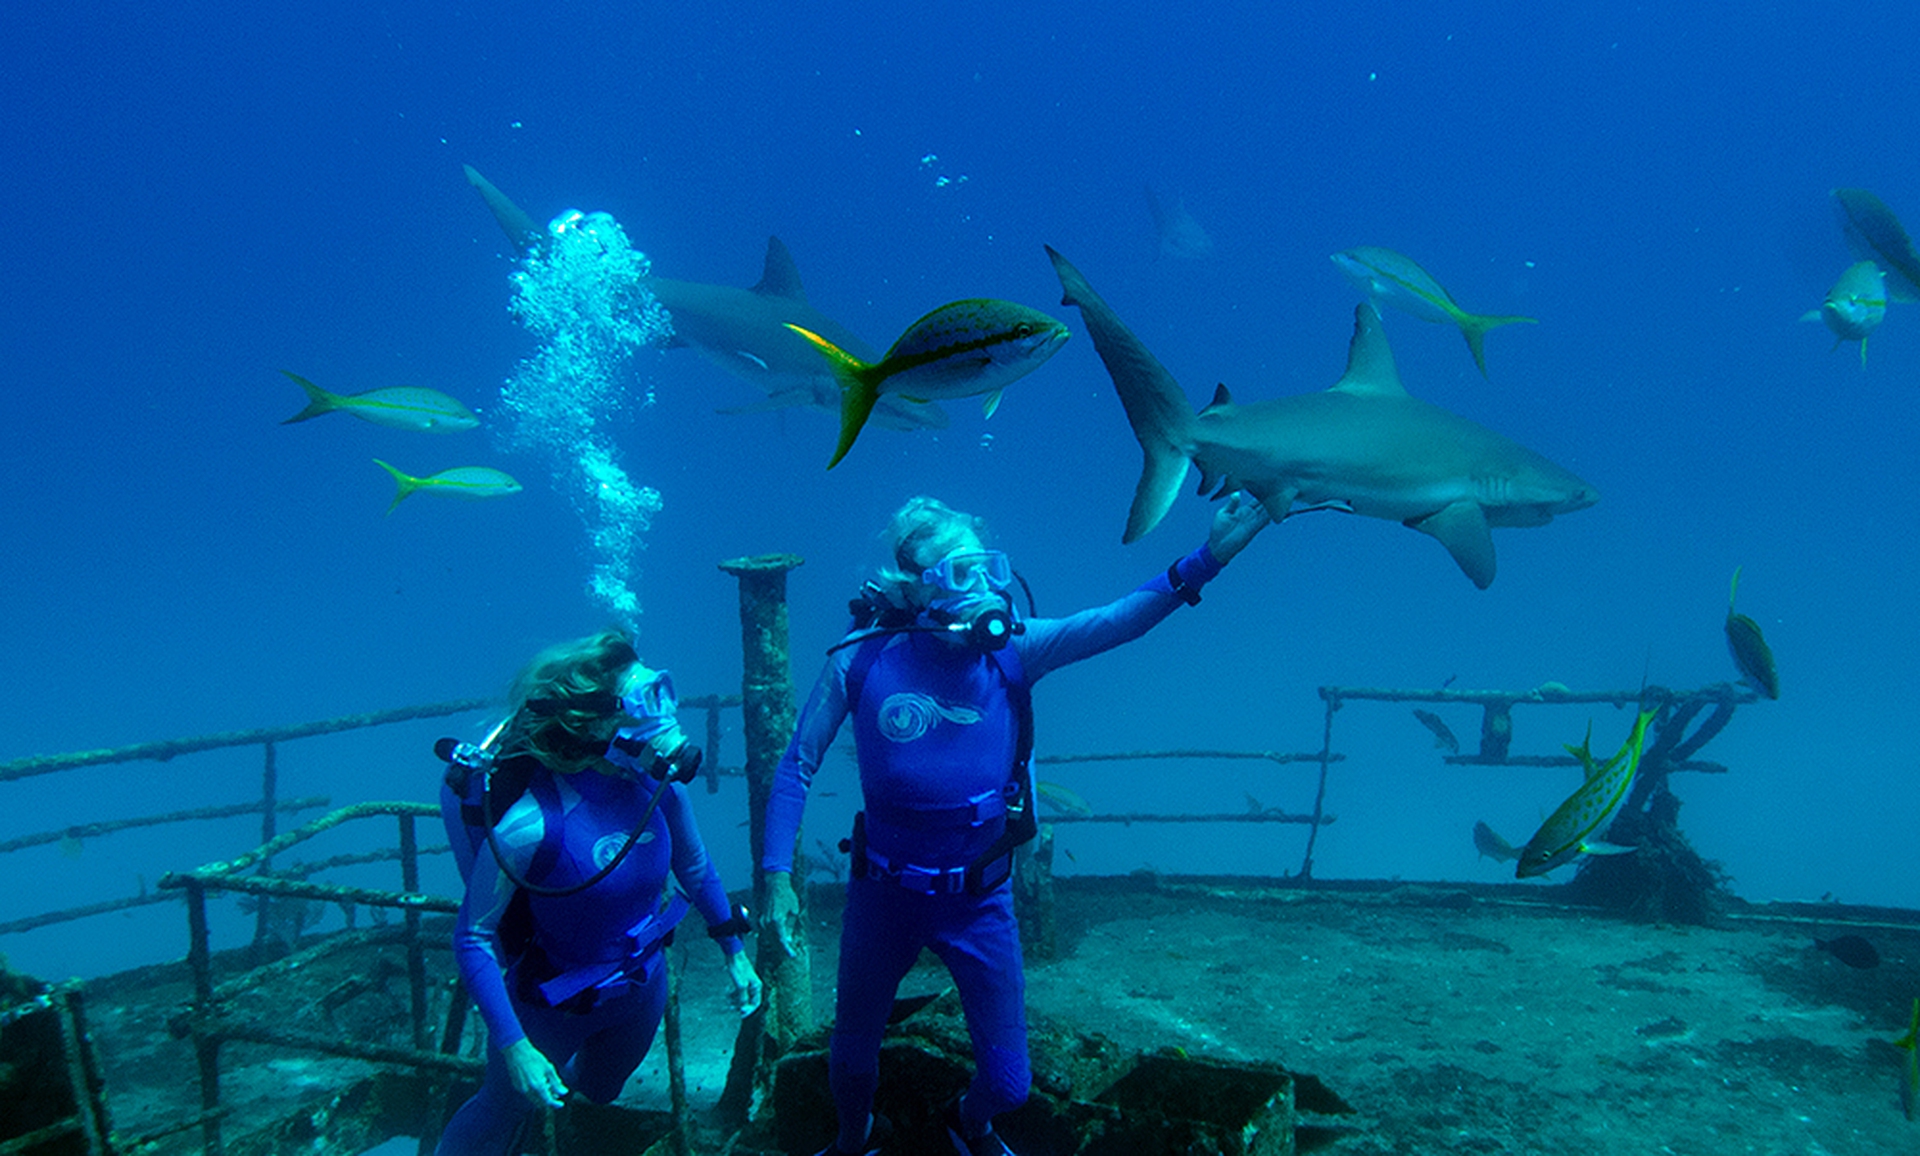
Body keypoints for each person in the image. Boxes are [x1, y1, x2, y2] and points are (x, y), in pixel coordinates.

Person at [759, 494, 1270, 1156]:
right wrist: (776, 880)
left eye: (988, 568)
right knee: (851, 1065)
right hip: (882, 897)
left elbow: (1117, 621)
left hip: (979, 902)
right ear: (918, 588)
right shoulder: (860, 658)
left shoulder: (1015, 652)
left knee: (1009, 1085)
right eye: (958, 573)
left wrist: (1211, 556)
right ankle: (855, 1138)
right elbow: (796, 767)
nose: (984, 589)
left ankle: (966, 1123)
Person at [435, 630, 763, 1155]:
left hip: (641, 987)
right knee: (503, 1106)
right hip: (553, 1003)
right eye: (642, 706)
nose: (663, 725)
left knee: (599, 1091)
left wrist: (735, 953)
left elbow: (695, 867)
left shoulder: (659, 786)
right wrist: (516, 1046)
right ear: (592, 724)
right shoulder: (530, 826)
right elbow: (473, 936)